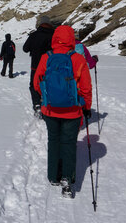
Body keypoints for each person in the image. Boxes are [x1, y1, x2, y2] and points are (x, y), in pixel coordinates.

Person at [34, 25, 92, 198]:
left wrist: (47, 98)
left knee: (54, 141)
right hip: (72, 112)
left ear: (55, 38)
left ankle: (53, 176)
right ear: (71, 39)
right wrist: (86, 107)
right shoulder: (78, 59)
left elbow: (37, 83)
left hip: (50, 110)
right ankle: (67, 178)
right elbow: (86, 88)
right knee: (68, 144)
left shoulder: (46, 57)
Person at [23, 15, 54, 116]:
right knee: (50, 84)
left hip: (36, 65)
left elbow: (25, 48)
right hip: (51, 66)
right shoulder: (54, 34)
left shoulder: (34, 35)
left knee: (34, 85)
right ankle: (50, 103)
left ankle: (37, 104)